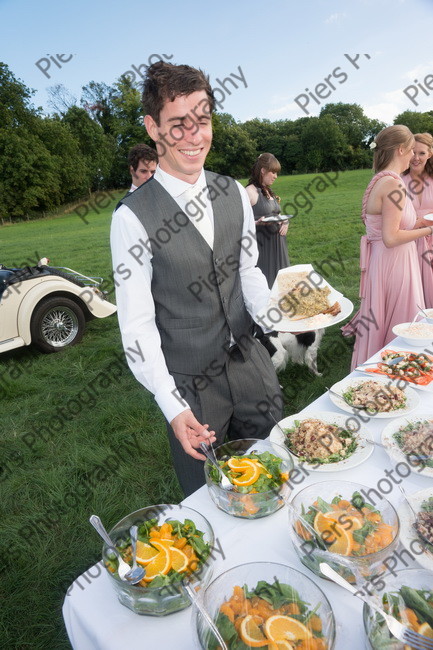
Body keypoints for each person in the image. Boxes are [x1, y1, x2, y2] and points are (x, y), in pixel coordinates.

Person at [110, 62, 283, 496]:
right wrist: (171, 404)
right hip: (190, 387)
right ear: (153, 128)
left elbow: (248, 271)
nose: (193, 136)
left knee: (273, 476)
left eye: (202, 121)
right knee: (210, 496)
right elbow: (136, 327)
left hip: (251, 364)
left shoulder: (233, 193)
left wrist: (281, 312)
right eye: (177, 125)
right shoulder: (131, 218)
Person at [342, 125, 433, 370]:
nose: (414, 156)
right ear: (401, 149)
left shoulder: (381, 180)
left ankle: (391, 374)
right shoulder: (393, 184)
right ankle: (394, 375)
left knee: (390, 323)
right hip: (395, 265)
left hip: (388, 261)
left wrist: (421, 222)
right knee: (401, 324)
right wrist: (429, 230)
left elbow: (394, 226)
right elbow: (391, 237)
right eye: (412, 150)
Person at [245, 153, 289, 289]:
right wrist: (256, 223)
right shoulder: (249, 192)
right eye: (273, 172)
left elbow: (277, 214)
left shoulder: (268, 191)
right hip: (263, 250)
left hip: (279, 248)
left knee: (283, 288)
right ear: (263, 170)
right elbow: (238, 223)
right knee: (267, 290)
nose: (276, 176)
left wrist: (286, 222)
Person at [401, 132, 433, 307]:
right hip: (408, 240)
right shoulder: (398, 181)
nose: (416, 158)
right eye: (413, 152)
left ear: (430, 154)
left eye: (422, 153)